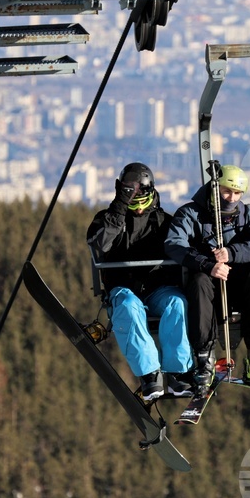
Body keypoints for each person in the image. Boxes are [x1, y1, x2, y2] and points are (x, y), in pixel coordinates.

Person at [165, 164, 250, 395]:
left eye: (237, 193)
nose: (232, 198)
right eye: (226, 191)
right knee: (198, 281)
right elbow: (174, 244)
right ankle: (204, 358)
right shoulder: (191, 213)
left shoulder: (248, 214)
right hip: (206, 280)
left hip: (237, 281)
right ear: (215, 189)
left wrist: (233, 253)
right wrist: (207, 264)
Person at [87, 162, 193, 401]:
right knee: (127, 306)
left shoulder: (164, 222)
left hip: (157, 289)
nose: (135, 201)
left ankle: (177, 372)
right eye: (129, 193)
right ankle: (149, 375)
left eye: (138, 194)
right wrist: (119, 207)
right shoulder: (108, 220)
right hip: (124, 289)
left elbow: (181, 246)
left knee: (177, 303)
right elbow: (100, 244)